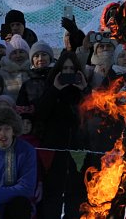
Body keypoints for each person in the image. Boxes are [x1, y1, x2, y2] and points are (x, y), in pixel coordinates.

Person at [35, 51, 87, 218]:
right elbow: (40, 113)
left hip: (78, 149)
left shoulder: (83, 90)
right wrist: (55, 89)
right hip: (53, 148)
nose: (68, 72)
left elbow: (96, 114)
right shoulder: (49, 87)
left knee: (75, 192)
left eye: (72, 69)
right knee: (52, 192)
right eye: (65, 68)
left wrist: (85, 89)